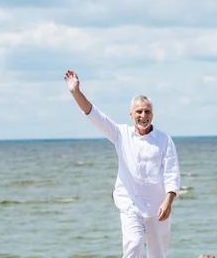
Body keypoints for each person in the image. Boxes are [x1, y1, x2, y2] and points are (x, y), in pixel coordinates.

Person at [64, 69, 181, 258]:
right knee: (134, 246)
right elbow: (93, 114)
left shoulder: (164, 140)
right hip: (130, 204)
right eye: (139, 111)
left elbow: (172, 173)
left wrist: (168, 202)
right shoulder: (121, 134)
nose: (143, 115)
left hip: (157, 206)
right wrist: (75, 91)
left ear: (153, 114)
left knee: (158, 253)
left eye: (147, 111)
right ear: (131, 114)